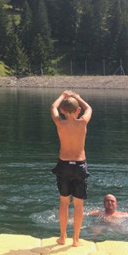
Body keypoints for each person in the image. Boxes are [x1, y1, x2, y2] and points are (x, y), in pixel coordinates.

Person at [50, 90, 93, 246]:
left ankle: (62, 236)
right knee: (78, 204)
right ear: (78, 111)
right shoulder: (82, 122)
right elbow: (89, 109)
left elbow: (53, 107)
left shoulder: (60, 123)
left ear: (62, 110)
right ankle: (76, 239)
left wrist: (62, 96)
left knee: (63, 202)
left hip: (64, 165)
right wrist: (78, 98)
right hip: (80, 165)